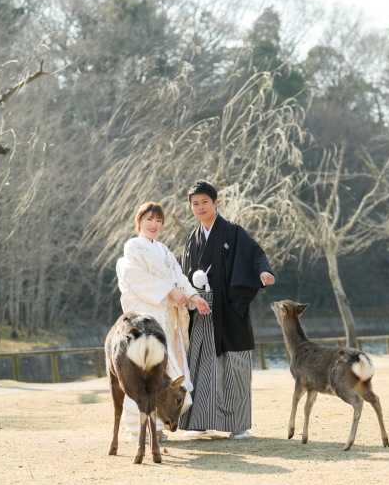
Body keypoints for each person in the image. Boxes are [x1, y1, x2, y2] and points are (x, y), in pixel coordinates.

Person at [179, 180, 275, 440]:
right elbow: (182, 273)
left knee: (234, 366)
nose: (200, 208)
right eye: (195, 204)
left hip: (229, 310)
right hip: (200, 312)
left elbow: (255, 254)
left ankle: (238, 424)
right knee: (202, 366)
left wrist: (263, 271)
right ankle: (199, 421)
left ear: (216, 203)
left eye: (205, 202)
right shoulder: (191, 239)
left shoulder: (233, 232)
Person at [115, 202, 211, 442]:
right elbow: (135, 277)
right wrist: (169, 291)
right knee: (143, 371)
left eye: (158, 221)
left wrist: (194, 296)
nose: (154, 225)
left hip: (165, 318)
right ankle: (140, 427)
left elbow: (179, 276)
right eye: (149, 219)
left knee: (164, 374)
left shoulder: (164, 251)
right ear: (139, 222)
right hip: (146, 318)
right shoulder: (133, 247)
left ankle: (158, 423)